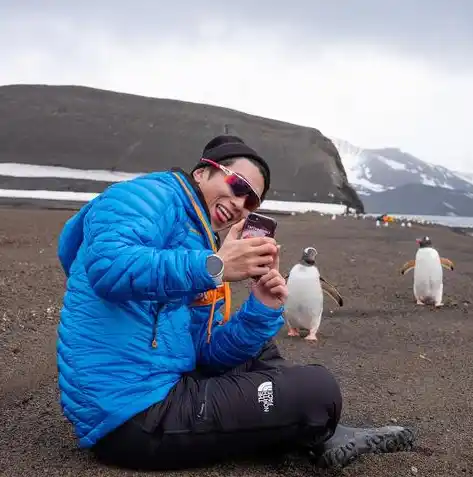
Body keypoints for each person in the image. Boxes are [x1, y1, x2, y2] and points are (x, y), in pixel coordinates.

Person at [56, 135, 416, 471]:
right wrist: (215, 267)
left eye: (252, 201)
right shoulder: (143, 196)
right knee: (318, 391)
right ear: (202, 172)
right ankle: (312, 424)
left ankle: (311, 427)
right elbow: (109, 268)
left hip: (157, 388)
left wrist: (260, 308)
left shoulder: (200, 242)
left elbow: (205, 355)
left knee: (260, 351)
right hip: (132, 416)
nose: (241, 205)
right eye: (238, 186)